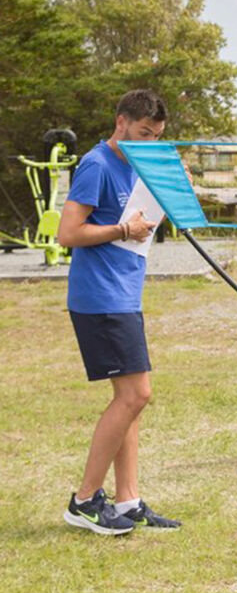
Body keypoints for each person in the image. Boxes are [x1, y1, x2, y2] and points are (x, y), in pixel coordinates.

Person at [58, 89, 180, 534]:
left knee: (127, 401)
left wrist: (171, 190)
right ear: (121, 122)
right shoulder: (96, 164)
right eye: (143, 134)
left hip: (124, 294)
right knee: (136, 395)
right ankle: (84, 500)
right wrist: (122, 228)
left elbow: (146, 220)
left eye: (157, 136)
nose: (148, 143)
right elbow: (67, 233)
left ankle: (127, 502)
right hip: (100, 297)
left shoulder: (138, 165)